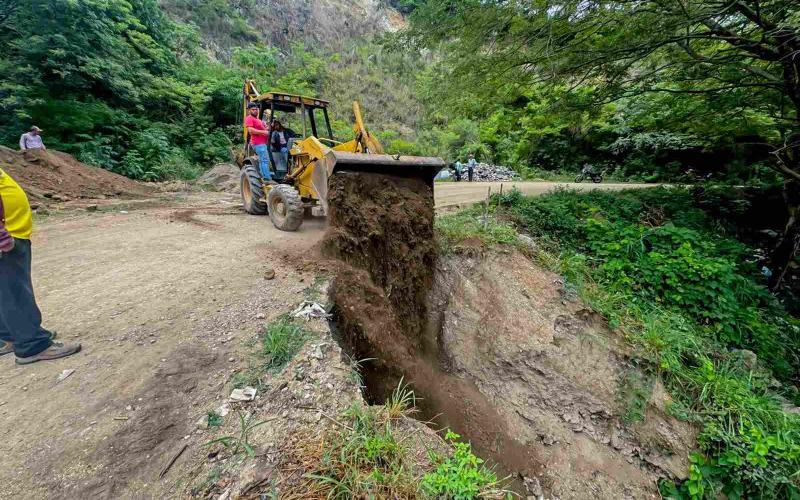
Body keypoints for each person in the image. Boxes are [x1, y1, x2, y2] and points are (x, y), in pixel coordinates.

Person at [0, 168, 81, 364]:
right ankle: (31, 344)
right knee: (14, 290)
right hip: (9, 233)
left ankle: (10, 336)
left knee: (6, 289)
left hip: (12, 229)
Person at [245, 103, 273, 182]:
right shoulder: (249, 118)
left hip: (263, 143)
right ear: (249, 110)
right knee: (264, 160)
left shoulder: (259, 120)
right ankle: (267, 178)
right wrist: (264, 132)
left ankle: (264, 176)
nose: (255, 111)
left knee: (263, 160)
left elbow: (265, 129)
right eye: (253, 110)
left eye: (256, 109)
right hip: (258, 144)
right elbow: (250, 130)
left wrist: (268, 128)